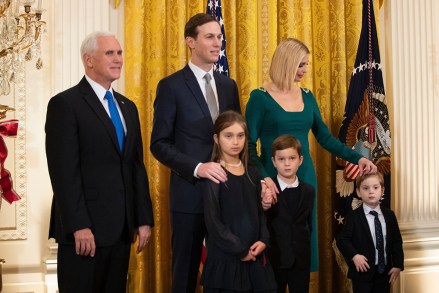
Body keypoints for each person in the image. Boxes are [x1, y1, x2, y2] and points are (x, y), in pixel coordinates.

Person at [245, 37, 377, 271]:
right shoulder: (259, 97)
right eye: (301, 65)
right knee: (276, 247)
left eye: (306, 64)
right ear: (286, 63)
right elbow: (248, 146)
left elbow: (325, 138)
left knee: (301, 246)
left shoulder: (307, 95)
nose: (305, 70)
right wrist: (264, 178)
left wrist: (359, 158)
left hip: (304, 178)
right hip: (272, 181)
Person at [45, 31, 154, 293]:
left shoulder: (128, 107)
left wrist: (143, 218)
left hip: (120, 229)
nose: (118, 59)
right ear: (88, 60)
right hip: (85, 232)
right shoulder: (65, 104)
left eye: (119, 53)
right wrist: (78, 225)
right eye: (110, 53)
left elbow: (135, 167)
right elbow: (63, 173)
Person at [150, 13, 241, 292]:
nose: (218, 43)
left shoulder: (228, 85)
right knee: (185, 274)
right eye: (210, 37)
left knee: (227, 273)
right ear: (191, 41)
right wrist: (198, 167)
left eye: (219, 37)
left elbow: (240, 137)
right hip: (191, 197)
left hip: (229, 195)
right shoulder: (171, 86)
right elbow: (159, 144)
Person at [201, 110, 277, 292]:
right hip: (227, 259)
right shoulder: (215, 173)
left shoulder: (253, 172)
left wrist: (264, 240)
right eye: (228, 136)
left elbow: (260, 214)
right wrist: (240, 250)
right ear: (217, 138)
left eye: (240, 136)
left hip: (255, 255)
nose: (235, 142)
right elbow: (213, 222)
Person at [336, 172, 404, 293]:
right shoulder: (354, 216)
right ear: (358, 192)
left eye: (375, 187)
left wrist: (398, 264)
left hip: (384, 273)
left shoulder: (389, 215)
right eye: (366, 188)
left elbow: (396, 241)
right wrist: (354, 256)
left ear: (382, 190)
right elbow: (342, 240)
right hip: (362, 274)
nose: (371, 192)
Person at [265, 134, 315, 293]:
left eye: (292, 158)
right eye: (281, 159)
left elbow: (309, 225)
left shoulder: (309, 191)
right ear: (274, 161)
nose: (287, 164)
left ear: (300, 160)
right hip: (275, 260)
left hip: (301, 261)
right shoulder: (267, 190)